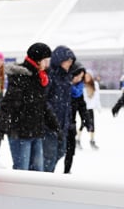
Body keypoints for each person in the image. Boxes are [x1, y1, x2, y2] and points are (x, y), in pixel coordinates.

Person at [0, 42, 60, 171]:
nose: (47, 64)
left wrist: (55, 126)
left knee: (38, 171)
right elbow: (7, 105)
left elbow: (42, 106)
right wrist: (0, 130)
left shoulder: (39, 78)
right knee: (22, 171)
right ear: (37, 60)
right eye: (45, 60)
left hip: (36, 132)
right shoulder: (21, 77)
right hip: (20, 134)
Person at [43, 45, 76, 173]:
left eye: (71, 62)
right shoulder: (51, 76)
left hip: (63, 125)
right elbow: (45, 101)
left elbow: (67, 103)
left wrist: (68, 122)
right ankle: (46, 181)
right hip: (50, 125)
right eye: (67, 61)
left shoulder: (67, 78)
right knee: (49, 157)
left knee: (61, 152)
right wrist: (52, 119)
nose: (69, 64)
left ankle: (48, 176)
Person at [63, 65, 86, 174]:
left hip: (71, 124)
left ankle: (67, 171)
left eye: (81, 77)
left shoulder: (79, 91)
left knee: (70, 150)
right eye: (77, 76)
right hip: (60, 123)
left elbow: (82, 106)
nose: (79, 79)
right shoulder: (63, 87)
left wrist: (86, 119)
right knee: (56, 152)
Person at [80, 70, 101, 149]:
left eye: (89, 76)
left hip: (90, 108)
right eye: (86, 76)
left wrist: (98, 107)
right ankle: (78, 139)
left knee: (92, 125)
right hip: (84, 109)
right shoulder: (82, 85)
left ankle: (92, 141)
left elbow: (97, 97)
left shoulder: (95, 85)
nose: (87, 77)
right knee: (82, 124)